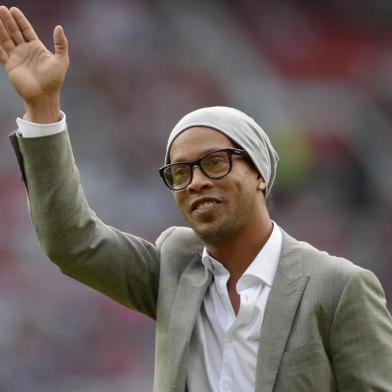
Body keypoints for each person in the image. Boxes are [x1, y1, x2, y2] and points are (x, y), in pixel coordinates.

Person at [1, 6, 392, 392]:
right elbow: (72, 242)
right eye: (181, 173)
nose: (197, 183)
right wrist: (43, 107)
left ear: (258, 173)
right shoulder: (176, 268)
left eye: (216, 163)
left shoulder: (339, 288)